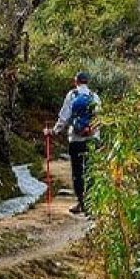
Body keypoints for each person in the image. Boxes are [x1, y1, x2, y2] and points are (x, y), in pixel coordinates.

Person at [53, 72, 102, 216]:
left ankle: (81, 203)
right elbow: (99, 119)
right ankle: (92, 204)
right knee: (90, 171)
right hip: (92, 139)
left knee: (77, 172)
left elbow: (64, 117)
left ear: (76, 81)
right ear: (87, 82)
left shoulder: (72, 95)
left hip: (75, 140)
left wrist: (54, 131)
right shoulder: (95, 97)